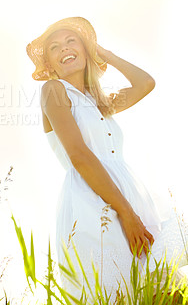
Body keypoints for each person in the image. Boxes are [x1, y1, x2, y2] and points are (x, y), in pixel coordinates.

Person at [26, 16, 188, 302]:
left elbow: (145, 83)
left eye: (71, 41)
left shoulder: (100, 101)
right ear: (49, 64)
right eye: (55, 47)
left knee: (166, 292)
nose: (64, 48)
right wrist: (125, 213)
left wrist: (107, 56)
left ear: (86, 50)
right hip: (93, 205)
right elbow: (79, 155)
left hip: (132, 198)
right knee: (117, 293)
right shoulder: (54, 91)